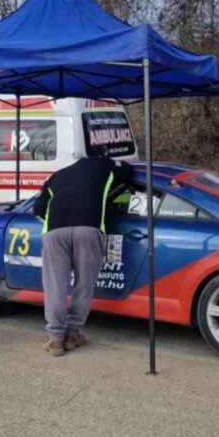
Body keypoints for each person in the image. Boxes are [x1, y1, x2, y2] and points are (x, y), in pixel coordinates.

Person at [33, 152, 135, 356]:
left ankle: (55, 339)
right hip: (88, 229)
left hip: (55, 232)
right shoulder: (105, 167)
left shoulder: (56, 176)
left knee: (55, 286)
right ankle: (72, 335)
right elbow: (129, 171)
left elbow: (38, 209)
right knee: (84, 285)